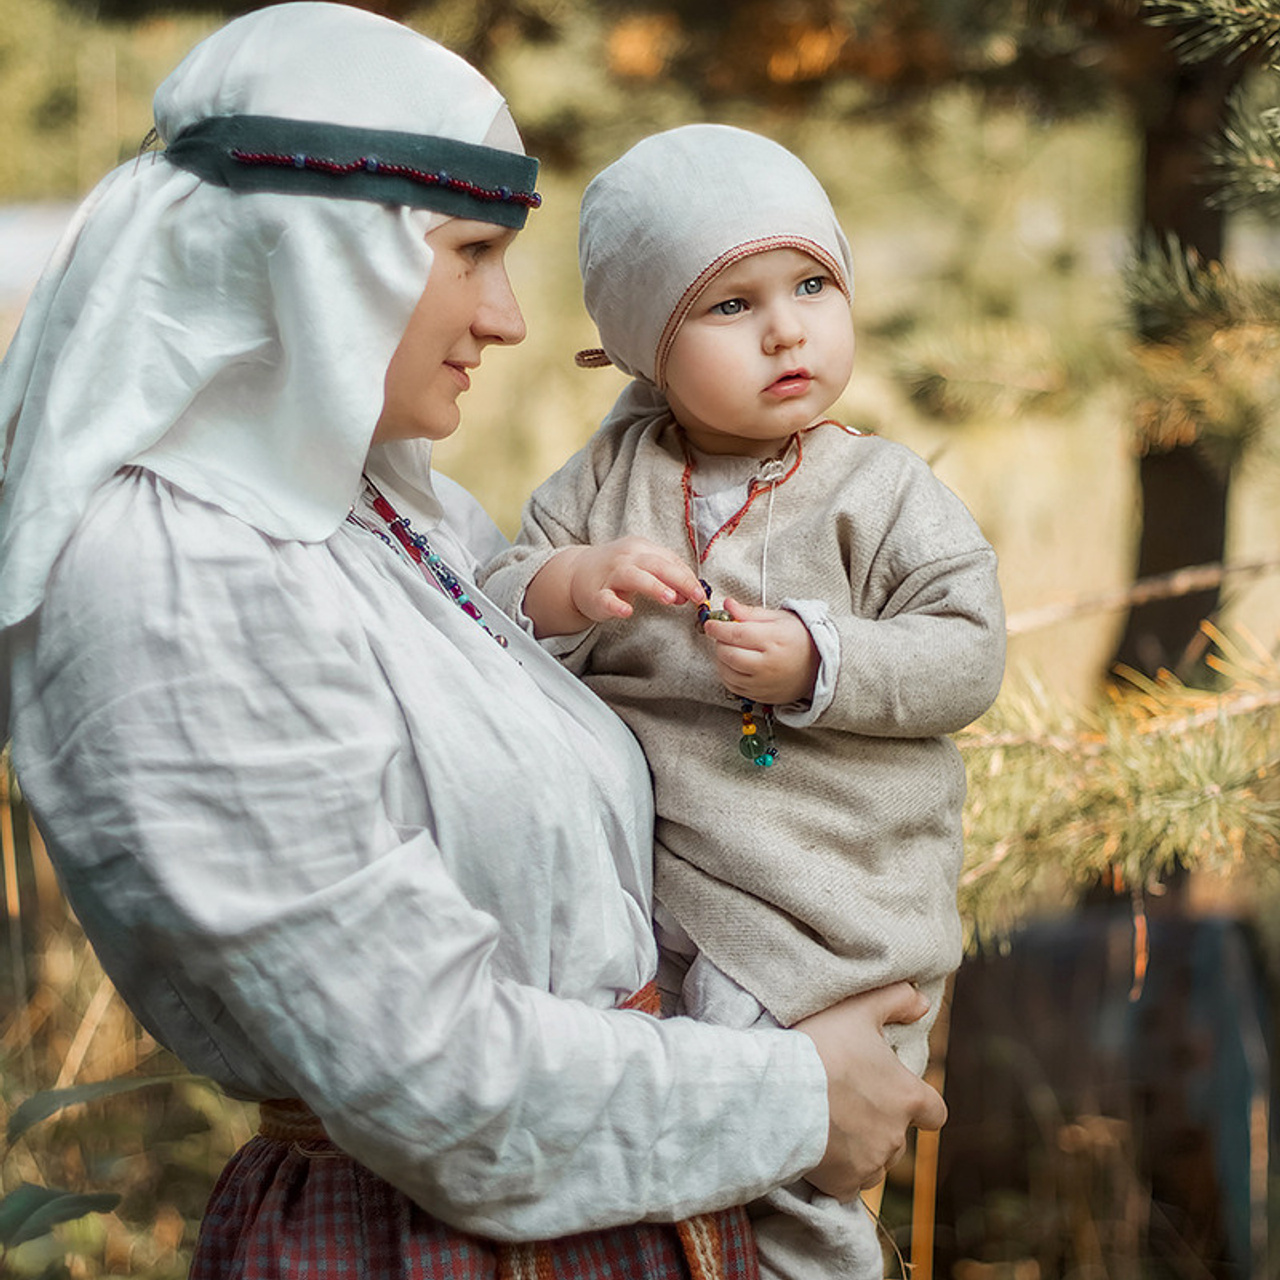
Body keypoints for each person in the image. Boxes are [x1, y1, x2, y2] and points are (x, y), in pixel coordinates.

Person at [0, 7, 947, 1278]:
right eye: (471, 252)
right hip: (418, 1244)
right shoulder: (169, 573)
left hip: (633, 1205)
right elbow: (425, 1069)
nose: (508, 319)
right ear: (322, 254)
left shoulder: (401, 514)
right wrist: (795, 1098)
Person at [479, 125, 1006, 1279]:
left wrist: (824, 661)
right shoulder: (600, 484)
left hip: (826, 895)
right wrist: (571, 586)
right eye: (728, 306)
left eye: (812, 285)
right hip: (670, 883)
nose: (786, 327)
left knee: (794, 1165)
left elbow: (965, 653)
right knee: (670, 1154)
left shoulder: (880, 491)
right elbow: (492, 607)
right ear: (641, 348)